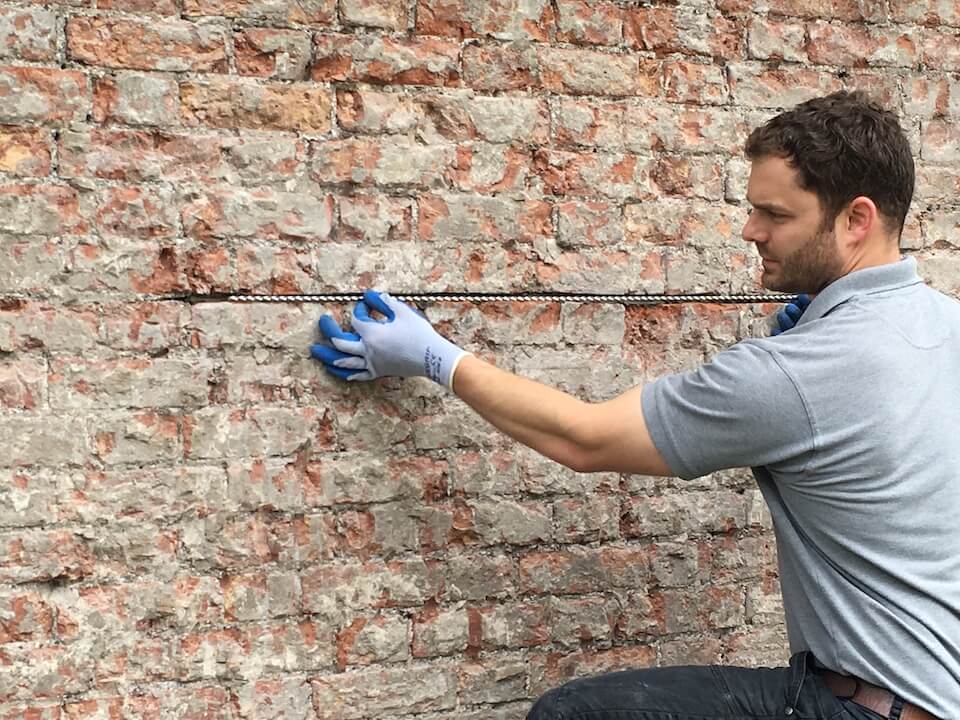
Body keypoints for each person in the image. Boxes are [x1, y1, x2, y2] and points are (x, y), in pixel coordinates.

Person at [310, 91, 960, 720]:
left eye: (776, 215)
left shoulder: (798, 373)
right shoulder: (945, 325)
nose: (749, 230)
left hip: (862, 708)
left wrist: (432, 356)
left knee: (572, 714)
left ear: (857, 219)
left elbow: (585, 439)